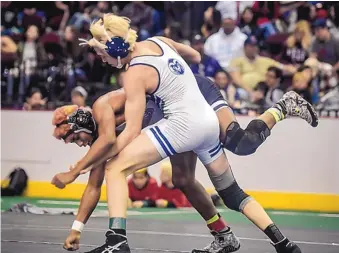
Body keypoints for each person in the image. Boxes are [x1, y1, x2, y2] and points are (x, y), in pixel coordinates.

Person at [51, 14, 317, 253]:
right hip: (199, 116)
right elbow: (197, 57)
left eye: (101, 53)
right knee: (205, 184)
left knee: (116, 167)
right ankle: (279, 243)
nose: (101, 60)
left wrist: (75, 171)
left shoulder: (125, 84)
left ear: (116, 48)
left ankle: (117, 241)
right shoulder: (158, 41)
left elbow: (122, 136)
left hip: (185, 111)